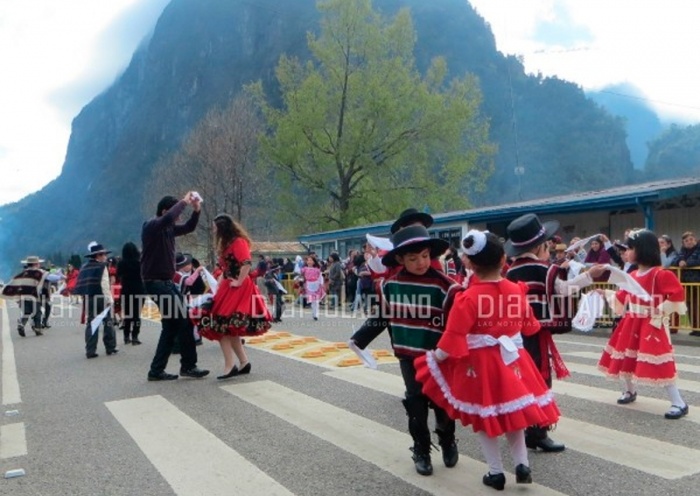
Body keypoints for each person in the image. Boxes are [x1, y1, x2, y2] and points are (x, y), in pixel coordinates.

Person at [415, 231, 560, 491]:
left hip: (480, 365)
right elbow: (530, 328)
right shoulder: (517, 290)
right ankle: (522, 465)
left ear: (469, 263)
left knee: (487, 419)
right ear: (504, 258)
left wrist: (435, 358)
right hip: (514, 362)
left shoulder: (468, 298)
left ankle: (496, 472)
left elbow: (453, 336)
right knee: (514, 415)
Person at [360, 225, 462, 476]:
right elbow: (382, 316)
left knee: (442, 403)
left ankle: (447, 440)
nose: (421, 263)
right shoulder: (390, 285)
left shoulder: (445, 286)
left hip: (438, 356)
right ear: (400, 259)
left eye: (425, 256)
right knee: (415, 403)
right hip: (407, 355)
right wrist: (359, 340)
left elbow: (457, 322)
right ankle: (421, 449)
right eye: (413, 258)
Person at [505, 213, 607, 452]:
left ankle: (521, 426)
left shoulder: (510, 272)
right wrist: (589, 276)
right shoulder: (544, 270)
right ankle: (537, 432)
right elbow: (564, 289)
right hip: (536, 332)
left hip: (514, 335)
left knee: (520, 377)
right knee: (540, 378)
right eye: (548, 246)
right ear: (540, 246)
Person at [598, 229, 689, 419]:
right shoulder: (631, 275)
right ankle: (630, 391)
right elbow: (622, 297)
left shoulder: (660, 274)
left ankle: (678, 401)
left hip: (652, 323)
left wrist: (660, 310)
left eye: (630, 248)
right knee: (625, 357)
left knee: (660, 359)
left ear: (643, 250)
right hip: (631, 321)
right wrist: (606, 293)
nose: (627, 252)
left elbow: (678, 294)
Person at [142, 192, 209, 381]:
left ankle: (156, 370)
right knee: (184, 320)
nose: (178, 217)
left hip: (166, 283)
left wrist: (197, 210)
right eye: (176, 213)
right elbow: (171, 216)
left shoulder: (169, 229)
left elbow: (189, 227)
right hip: (155, 283)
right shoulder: (151, 226)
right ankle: (188, 365)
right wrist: (185, 201)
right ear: (165, 210)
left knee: (170, 327)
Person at [198, 214, 272, 379]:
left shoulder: (238, 242)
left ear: (222, 227)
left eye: (215, 227)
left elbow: (246, 263)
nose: (213, 229)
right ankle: (243, 362)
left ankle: (229, 365)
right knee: (228, 327)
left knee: (221, 326)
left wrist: (238, 282)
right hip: (229, 284)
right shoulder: (229, 243)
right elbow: (229, 268)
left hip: (237, 287)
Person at [73, 243, 118, 358]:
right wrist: (109, 300)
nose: (105, 257)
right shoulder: (102, 266)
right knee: (108, 322)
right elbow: (104, 284)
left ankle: (90, 350)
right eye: (103, 254)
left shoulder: (84, 267)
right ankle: (110, 347)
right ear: (98, 255)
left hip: (89, 297)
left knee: (92, 323)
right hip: (101, 297)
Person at [1, 255, 48, 336]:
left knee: (26, 313)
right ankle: (38, 329)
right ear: (36, 264)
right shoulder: (40, 273)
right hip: (34, 297)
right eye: (38, 263)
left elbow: (12, 283)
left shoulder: (22, 274)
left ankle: (21, 324)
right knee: (37, 313)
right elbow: (50, 278)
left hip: (23, 297)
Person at [670, 231, 700, 336]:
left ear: (695, 240)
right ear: (683, 243)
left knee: (698, 305)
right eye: (686, 241)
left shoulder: (698, 249)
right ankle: (695, 328)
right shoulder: (682, 251)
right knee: (691, 306)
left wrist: (686, 263)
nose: (689, 242)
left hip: (697, 282)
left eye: (691, 239)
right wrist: (679, 262)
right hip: (687, 282)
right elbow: (673, 261)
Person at [117, 242, 145, 345]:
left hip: (126, 290)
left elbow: (118, 275)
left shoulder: (121, 263)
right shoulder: (140, 263)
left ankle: (126, 336)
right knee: (137, 315)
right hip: (139, 290)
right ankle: (135, 336)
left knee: (128, 314)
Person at [301, 255, 326, 320]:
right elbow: (301, 276)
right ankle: (313, 313)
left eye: (311, 260)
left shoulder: (317, 269)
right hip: (309, 285)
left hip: (316, 285)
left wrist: (321, 284)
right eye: (308, 260)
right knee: (312, 300)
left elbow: (320, 277)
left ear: (314, 262)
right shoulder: (304, 269)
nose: (309, 262)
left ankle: (316, 314)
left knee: (316, 301)